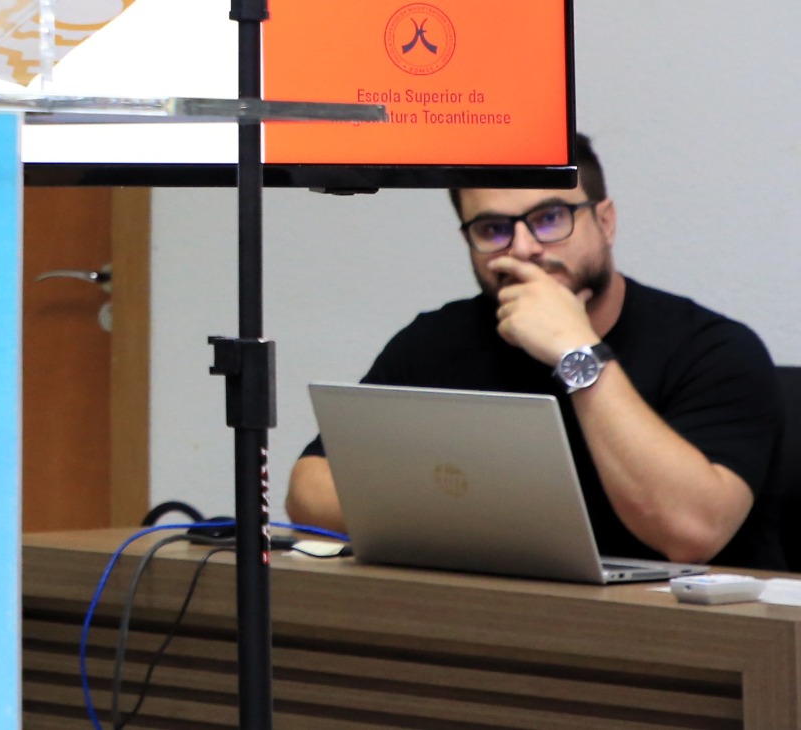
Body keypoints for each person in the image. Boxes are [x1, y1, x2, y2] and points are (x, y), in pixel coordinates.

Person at [286, 135, 784, 568]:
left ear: (605, 222)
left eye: (550, 218)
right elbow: (309, 490)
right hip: (507, 613)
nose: (522, 247)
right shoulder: (437, 340)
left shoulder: (714, 349)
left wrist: (576, 351)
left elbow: (690, 531)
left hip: (694, 637)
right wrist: (512, 523)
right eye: (492, 229)